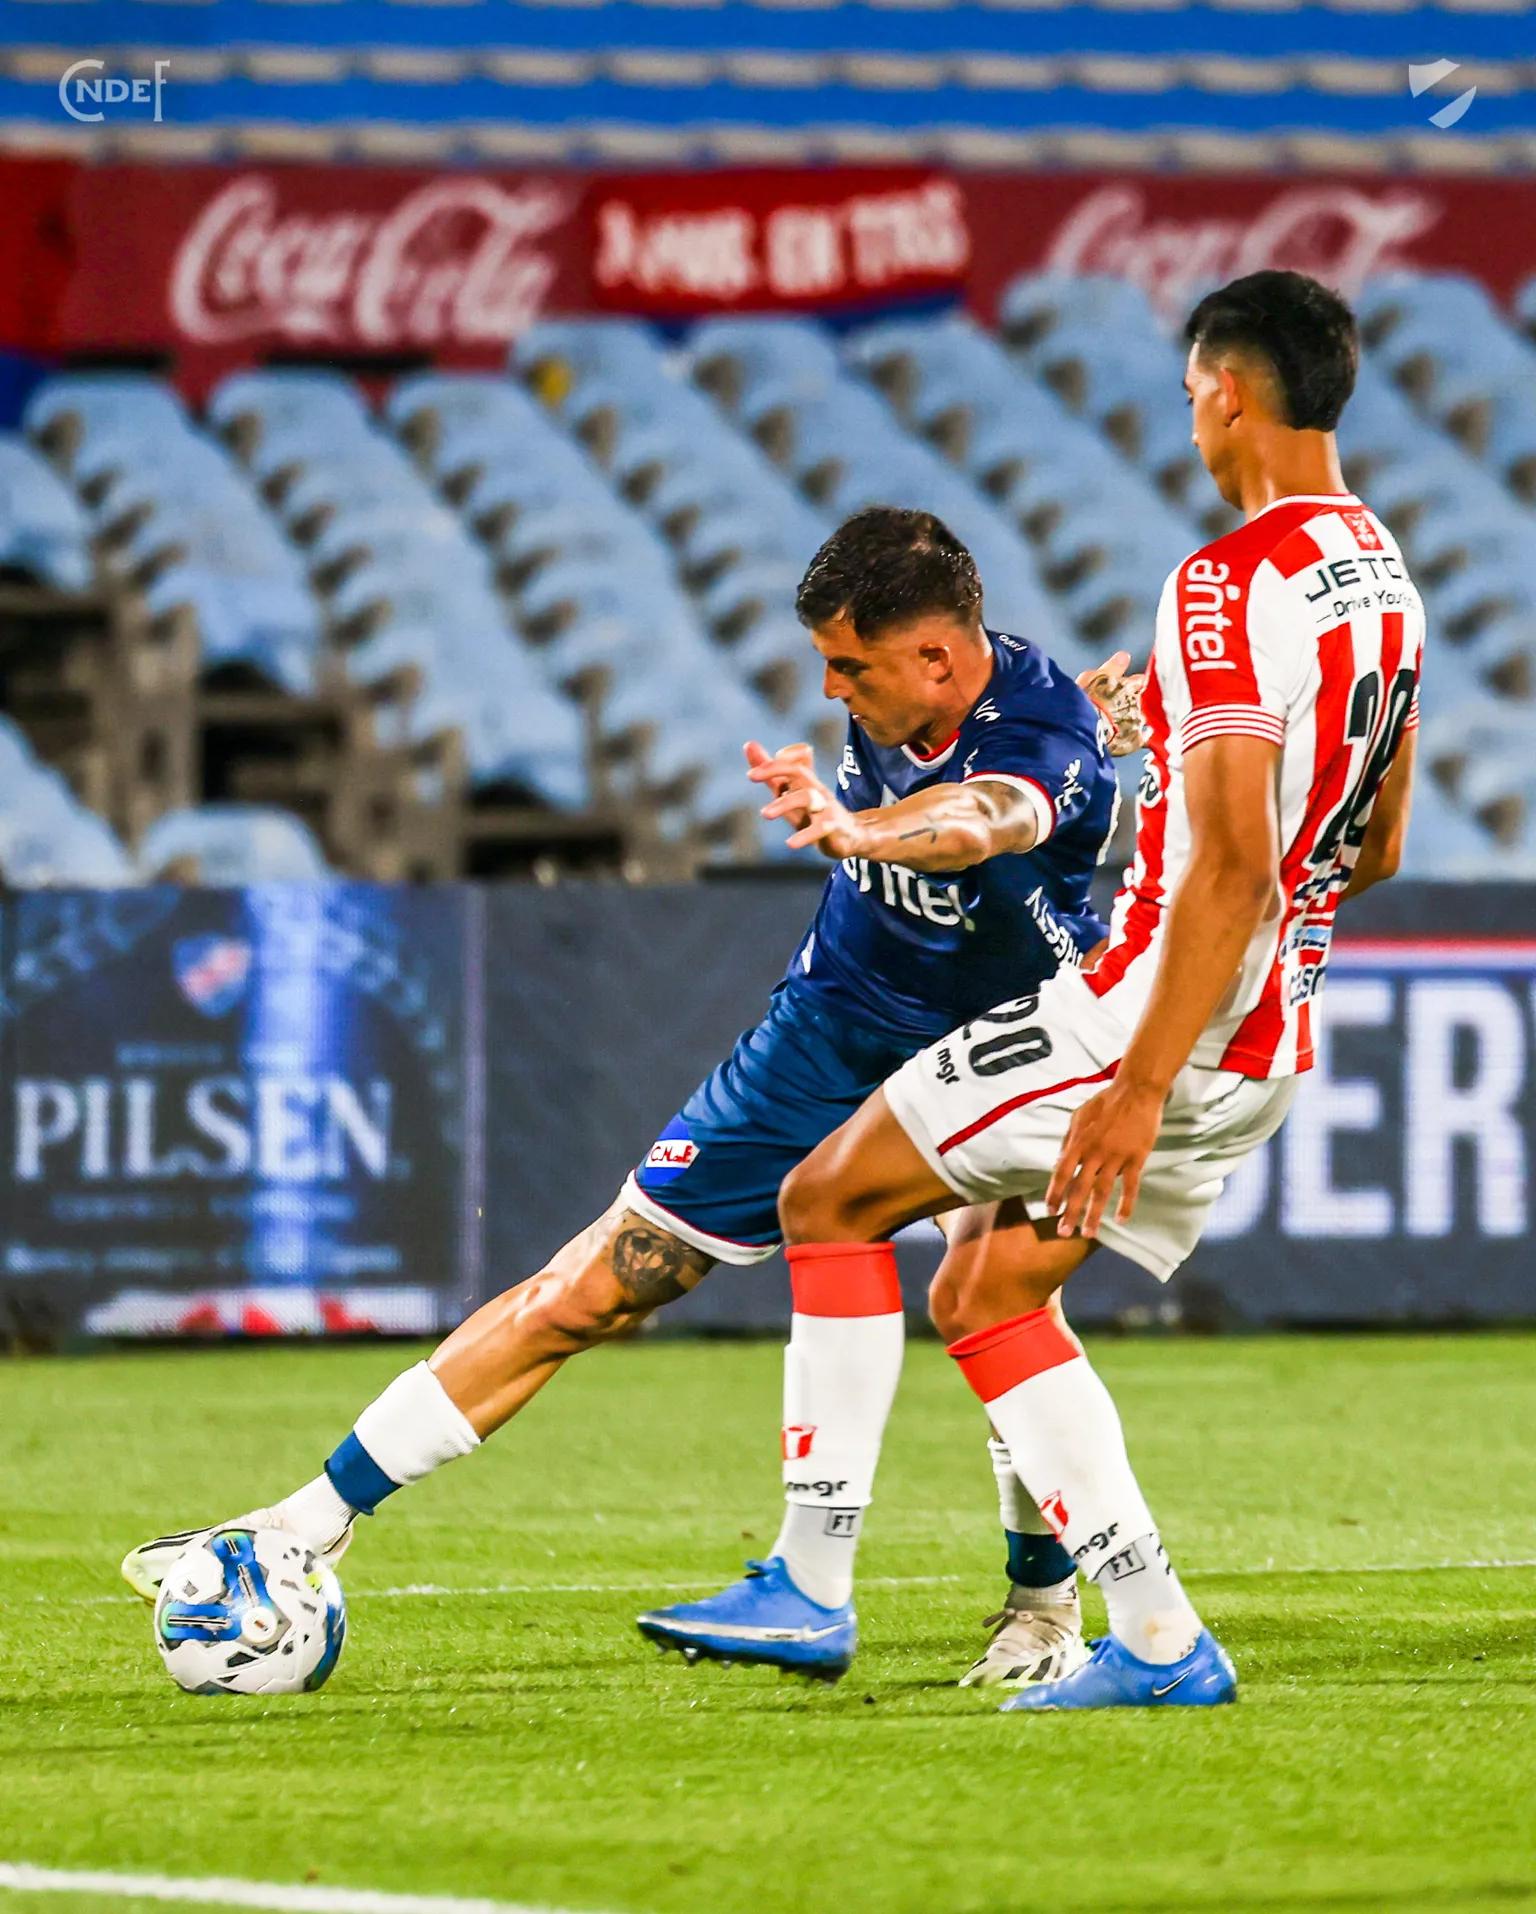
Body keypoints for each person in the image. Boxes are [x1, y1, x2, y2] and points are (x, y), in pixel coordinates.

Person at [122, 505, 1141, 1686]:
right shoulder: (951, 699)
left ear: (934, 657)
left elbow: (982, 818)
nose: (830, 689)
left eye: (849, 667)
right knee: (598, 1278)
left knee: (996, 1304)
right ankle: (303, 1523)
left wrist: (857, 827)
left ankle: (1039, 1607)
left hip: (1010, 1042)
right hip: (829, 1030)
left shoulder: (1041, 740)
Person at [740, 270, 1424, 1710]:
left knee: (829, 1199)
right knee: (988, 1289)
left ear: (1224, 391)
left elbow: (1228, 867)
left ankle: (808, 1580)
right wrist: (1161, 754)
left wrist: (1138, 1078)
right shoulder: (1386, 577)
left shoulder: (1225, 583)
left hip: (1144, 1018)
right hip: (1269, 1033)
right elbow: (1373, 849)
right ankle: (1156, 1640)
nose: (1191, 421)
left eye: (1190, 395)